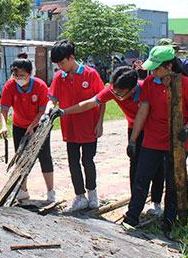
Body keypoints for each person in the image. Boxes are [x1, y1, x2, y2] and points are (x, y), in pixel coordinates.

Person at [58, 66, 164, 216]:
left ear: (132, 89)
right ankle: (135, 204)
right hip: (133, 128)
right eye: (114, 90)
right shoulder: (114, 90)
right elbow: (89, 103)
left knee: (156, 167)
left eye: (120, 93)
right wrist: (64, 111)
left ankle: (156, 203)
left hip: (153, 129)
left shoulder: (146, 89)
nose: (116, 94)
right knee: (134, 166)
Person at [124, 46, 188, 230]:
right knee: (142, 178)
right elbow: (143, 111)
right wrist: (133, 139)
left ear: (169, 66)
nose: (153, 71)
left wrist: (187, 128)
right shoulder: (151, 82)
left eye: (157, 68)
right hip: (152, 139)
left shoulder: (186, 85)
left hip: (178, 140)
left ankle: (170, 221)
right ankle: (132, 217)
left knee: (174, 182)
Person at [45, 40, 105, 211]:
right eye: (57, 64)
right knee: (73, 162)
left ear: (71, 57)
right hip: (69, 128)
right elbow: (52, 99)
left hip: (88, 127)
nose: (60, 66)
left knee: (88, 160)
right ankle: (80, 196)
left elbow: (101, 100)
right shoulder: (59, 77)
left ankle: (92, 193)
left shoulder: (90, 74)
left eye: (62, 63)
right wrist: (49, 109)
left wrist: (100, 123)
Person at [0, 59, 55, 202]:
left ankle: (50, 191)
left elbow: (42, 111)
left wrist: (33, 126)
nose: (19, 79)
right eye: (16, 75)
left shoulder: (40, 86)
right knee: (21, 158)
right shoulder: (10, 86)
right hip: (19, 126)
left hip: (40, 126)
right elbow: (4, 109)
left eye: (22, 75)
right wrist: (3, 126)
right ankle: (23, 190)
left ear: (30, 74)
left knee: (45, 157)